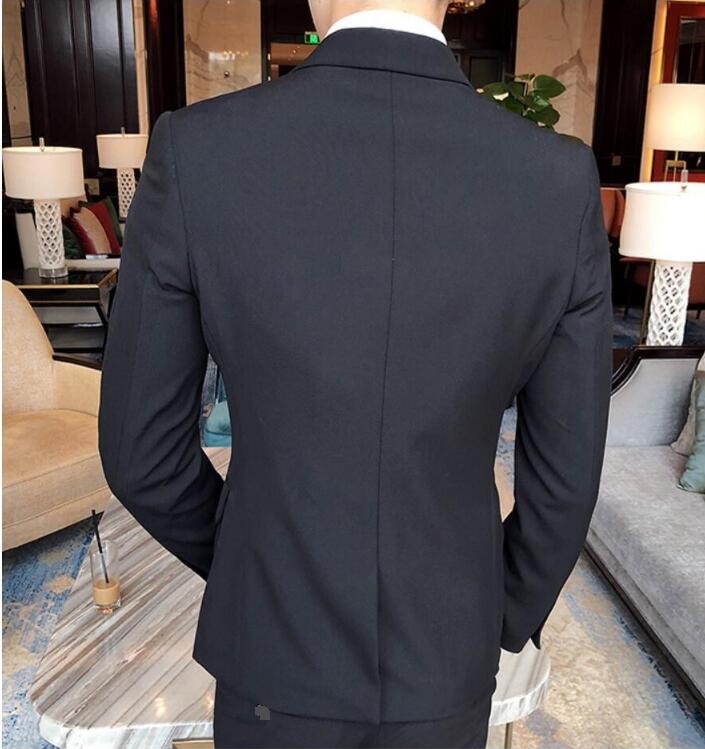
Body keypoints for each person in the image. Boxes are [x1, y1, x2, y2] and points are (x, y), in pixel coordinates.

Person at [98, 0, 613, 746]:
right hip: (445, 656)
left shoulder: (196, 151)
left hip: (273, 658)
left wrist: (258, 574)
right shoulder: (557, 179)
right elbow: (567, 478)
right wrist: (491, 609)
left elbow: (139, 453)